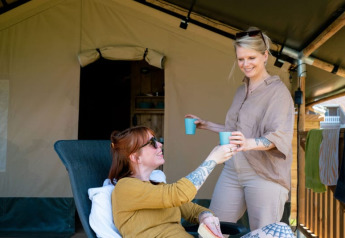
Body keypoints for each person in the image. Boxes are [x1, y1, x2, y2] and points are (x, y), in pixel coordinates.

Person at [185, 27, 295, 231]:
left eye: (251, 57)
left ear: (265, 55)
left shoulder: (278, 93)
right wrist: (205, 124)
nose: (245, 64)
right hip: (233, 169)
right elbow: (236, 130)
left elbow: (279, 136)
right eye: (240, 59)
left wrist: (248, 143)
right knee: (212, 228)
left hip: (264, 174)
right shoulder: (241, 90)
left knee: (263, 234)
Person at [108, 126, 238, 238]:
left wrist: (205, 216)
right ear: (135, 157)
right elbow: (179, 193)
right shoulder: (125, 187)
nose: (160, 144)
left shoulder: (158, 188)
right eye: (152, 142)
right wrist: (212, 160)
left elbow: (192, 210)